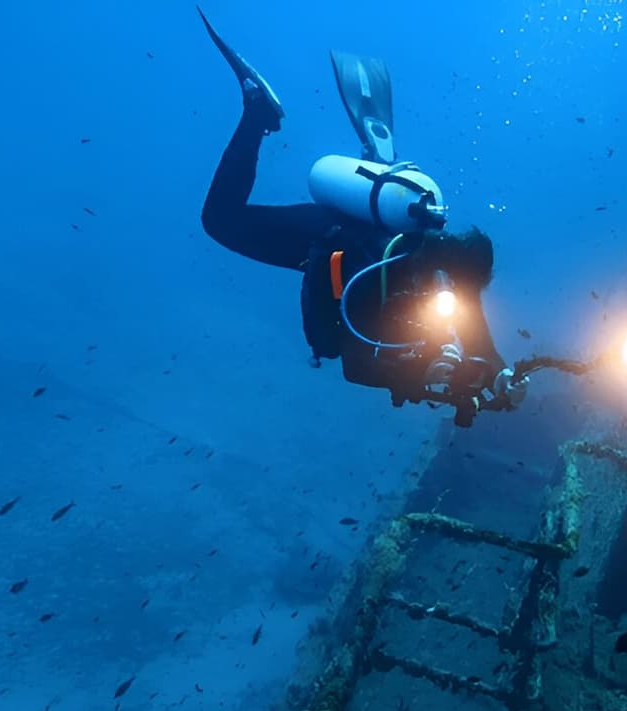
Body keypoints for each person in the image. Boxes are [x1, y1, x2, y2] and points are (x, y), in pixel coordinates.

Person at [196, 8, 527, 425]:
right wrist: (420, 373)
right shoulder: (380, 273)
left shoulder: (451, 269)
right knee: (220, 220)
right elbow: (352, 363)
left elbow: (477, 337)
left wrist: (499, 373)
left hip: (369, 225)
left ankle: (376, 160)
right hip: (325, 238)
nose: (460, 300)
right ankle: (257, 112)